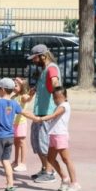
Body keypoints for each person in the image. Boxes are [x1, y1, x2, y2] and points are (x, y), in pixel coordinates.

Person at [31, 87, 79, 191]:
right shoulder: (58, 106)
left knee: (66, 160)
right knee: (50, 159)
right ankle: (64, 178)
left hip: (60, 136)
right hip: (53, 135)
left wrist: (40, 119)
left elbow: (54, 115)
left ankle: (74, 183)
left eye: (58, 97)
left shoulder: (64, 106)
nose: (56, 99)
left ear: (65, 97)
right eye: (54, 98)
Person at [27, 44, 61, 183]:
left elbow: (55, 82)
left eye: (35, 58)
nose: (34, 61)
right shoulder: (44, 70)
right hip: (39, 112)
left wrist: (57, 92)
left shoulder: (51, 68)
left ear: (43, 56)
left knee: (43, 143)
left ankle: (49, 171)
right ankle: (44, 167)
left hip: (47, 113)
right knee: (36, 142)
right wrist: (34, 89)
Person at [11, 77, 31, 172]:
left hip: (21, 123)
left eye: (16, 85)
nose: (14, 87)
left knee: (22, 142)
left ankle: (23, 163)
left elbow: (28, 97)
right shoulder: (13, 97)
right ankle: (16, 161)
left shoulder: (23, 96)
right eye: (13, 85)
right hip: (14, 124)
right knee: (16, 143)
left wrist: (22, 84)